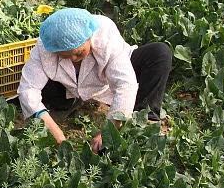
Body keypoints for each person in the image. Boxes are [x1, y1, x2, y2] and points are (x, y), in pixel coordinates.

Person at [17, 8, 172, 154]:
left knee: (160, 53)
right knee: (38, 91)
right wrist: (53, 130)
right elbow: (28, 88)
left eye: (78, 53)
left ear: (89, 37)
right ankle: (69, 103)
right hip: (68, 87)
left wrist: (109, 131)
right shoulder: (46, 46)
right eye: (64, 55)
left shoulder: (104, 34)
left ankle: (144, 120)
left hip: (106, 82)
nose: (72, 59)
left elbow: (125, 84)